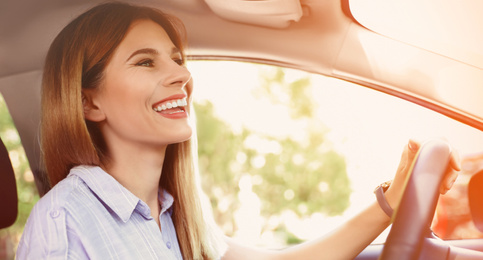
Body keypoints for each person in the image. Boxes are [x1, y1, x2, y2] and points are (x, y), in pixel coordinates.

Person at [16, 2, 460, 260]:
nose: (180, 76)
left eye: (177, 59)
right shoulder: (65, 220)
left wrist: (389, 203)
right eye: (146, 61)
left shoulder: (175, 213)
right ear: (89, 102)